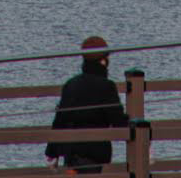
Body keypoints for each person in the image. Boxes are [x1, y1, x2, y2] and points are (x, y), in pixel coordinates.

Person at [45, 36, 128, 173]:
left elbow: (60, 120)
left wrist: (52, 152)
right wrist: (136, 127)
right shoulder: (106, 86)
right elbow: (117, 121)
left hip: (70, 152)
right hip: (94, 152)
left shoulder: (70, 84)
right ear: (103, 61)